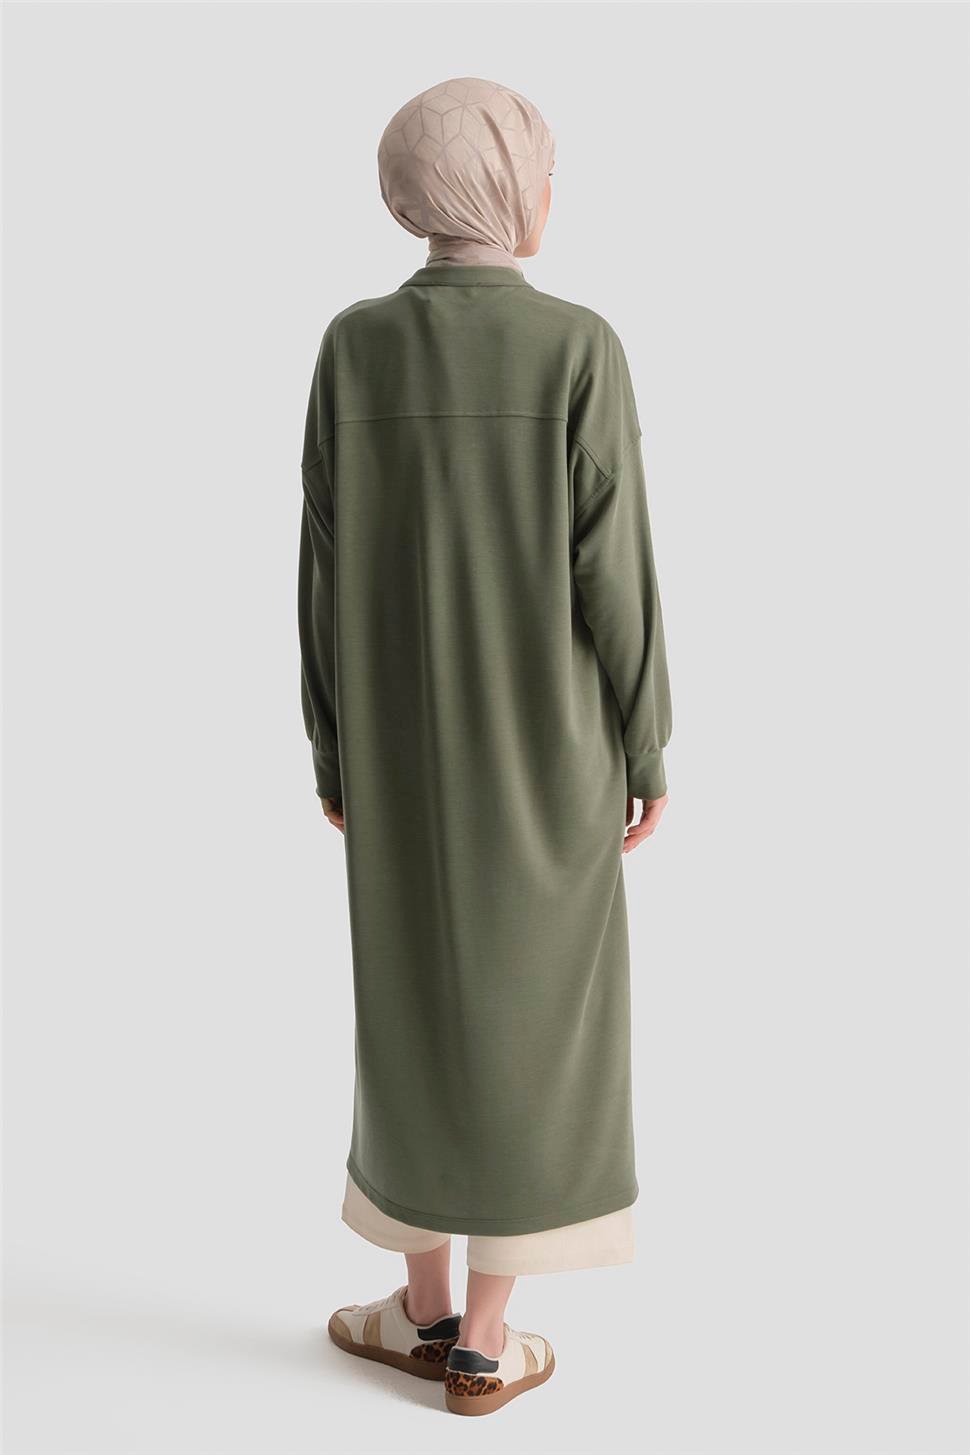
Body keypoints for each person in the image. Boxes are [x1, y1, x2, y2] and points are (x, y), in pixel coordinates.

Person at [298, 76, 672, 1418]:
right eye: (543, 168)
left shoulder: (354, 348)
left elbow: (322, 566)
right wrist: (647, 743)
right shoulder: (577, 348)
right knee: (539, 1024)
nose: (550, 191)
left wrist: (334, 749)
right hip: (550, 757)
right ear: (504, 189)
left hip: (398, 756)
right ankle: (483, 1344)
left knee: (407, 1007)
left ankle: (419, 1309)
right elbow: (615, 571)